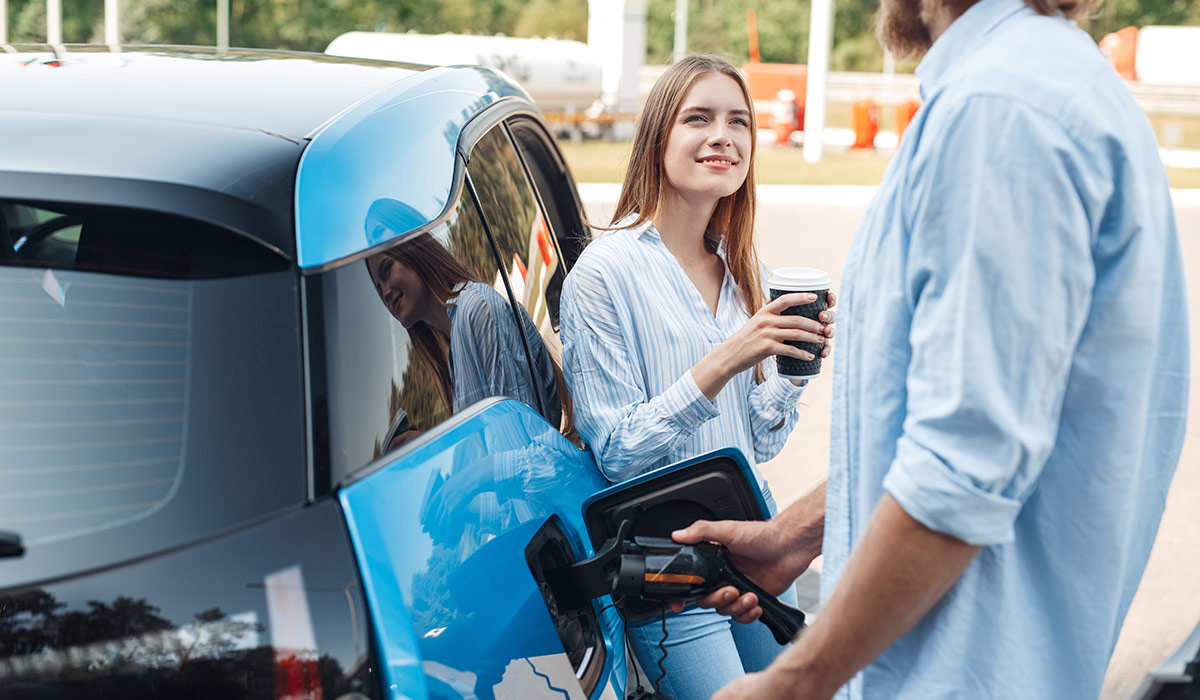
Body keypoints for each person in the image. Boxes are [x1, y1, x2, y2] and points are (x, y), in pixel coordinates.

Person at [670, 1, 1190, 699]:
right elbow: (975, 427)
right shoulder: (1041, 85)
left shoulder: (1001, 112)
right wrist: (795, 535)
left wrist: (792, 683)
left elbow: (967, 463)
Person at [558, 54, 836, 699]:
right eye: (699, 118)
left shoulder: (744, 271)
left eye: (739, 122)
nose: (723, 136)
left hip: (753, 536)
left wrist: (795, 368)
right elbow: (619, 453)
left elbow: (758, 443)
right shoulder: (604, 274)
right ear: (659, 139)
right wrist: (725, 360)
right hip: (668, 559)